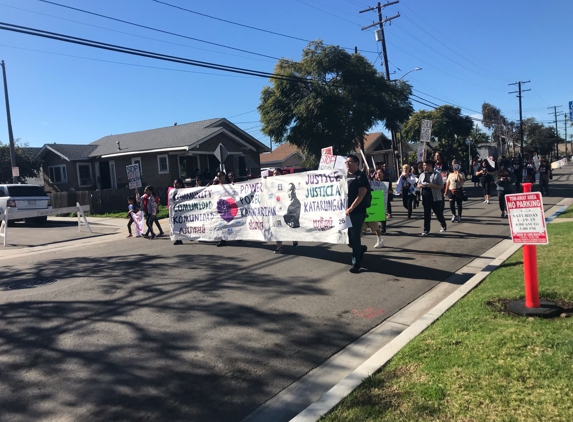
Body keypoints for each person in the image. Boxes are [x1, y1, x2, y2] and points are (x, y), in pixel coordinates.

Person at [345, 154, 371, 273]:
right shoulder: (345, 177)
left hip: (357, 212)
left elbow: (361, 195)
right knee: (349, 239)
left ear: (356, 163)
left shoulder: (361, 177)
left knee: (355, 236)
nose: (347, 164)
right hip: (346, 212)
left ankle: (356, 263)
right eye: (346, 162)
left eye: (350, 162)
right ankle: (360, 249)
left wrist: (351, 208)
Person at [272, 168, 299, 254]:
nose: (275, 175)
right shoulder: (271, 183)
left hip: (285, 207)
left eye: (277, 173)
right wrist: (265, 180)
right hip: (276, 209)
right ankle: (280, 247)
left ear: (281, 174)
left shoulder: (285, 182)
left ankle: (294, 238)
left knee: (288, 225)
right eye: (273, 173)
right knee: (277, 228)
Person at [417, 159, 447, 236]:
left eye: (425, 165)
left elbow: (441, 186)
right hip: (425, 197)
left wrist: (431, 185)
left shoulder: (437, 174)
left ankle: (443, 223)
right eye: (423, 165)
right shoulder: (422, 175)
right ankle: (426, 229)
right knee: (427, 214)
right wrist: (420, 186)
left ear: (430, 166)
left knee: (438, 213)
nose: (423, 167)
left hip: (435, 197)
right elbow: (418, 184)